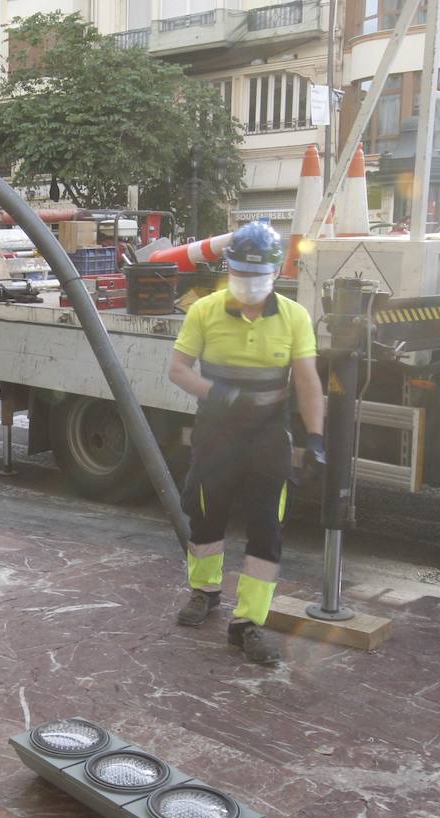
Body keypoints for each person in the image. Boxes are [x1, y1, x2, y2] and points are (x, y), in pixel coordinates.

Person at [166, 221, 326, 665]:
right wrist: (218, 393)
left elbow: (308, 382)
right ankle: (204, 592)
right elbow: (178, 369)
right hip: (216, 429)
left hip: (267, 433)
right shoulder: (205, 311)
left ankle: (249, 623)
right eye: (241, 274)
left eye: (258, 276)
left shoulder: (294, 317)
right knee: (206, 515)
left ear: (276, 273)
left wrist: (316, 437)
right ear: (228, 269)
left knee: (266, 528)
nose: (249, 284)